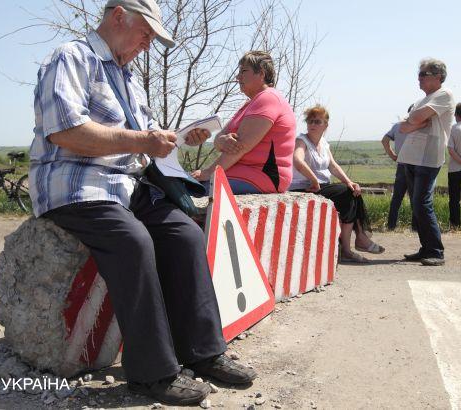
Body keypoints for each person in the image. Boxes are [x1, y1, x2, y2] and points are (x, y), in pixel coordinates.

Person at [28, 0, 256, 405]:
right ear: (119, 16)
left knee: (184, 234)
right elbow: (66, 131)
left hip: (126, 185)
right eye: (146, 33)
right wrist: (143, 141)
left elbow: (145, 144)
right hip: (77, 186)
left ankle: (202, 352)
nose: (147, 44)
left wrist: (180, 138)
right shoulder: (70, 57)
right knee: (134, 242)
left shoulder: (128, 78)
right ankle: (151, 375)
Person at [289, 105, 384, 264]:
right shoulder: (302, 140)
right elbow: (297, 160)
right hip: (304, 186)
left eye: (317, 121)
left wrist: (349, 181)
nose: (312, 124)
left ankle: (354, 242)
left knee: (353, 190)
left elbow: (332, 166)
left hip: (321, 186)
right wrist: (313, 180)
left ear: (325, 125)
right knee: (347, 193)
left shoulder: (324, 144)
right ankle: (354, 243)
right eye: (310, 121)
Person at [192, 51, 296, 194]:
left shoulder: (268, 98)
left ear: (261, 74)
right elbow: (218, 138)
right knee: (183, 183)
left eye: (244, 71)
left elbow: (240, 146)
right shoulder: (249, 104)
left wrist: (209, 172)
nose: (238, 76)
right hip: (244, 173)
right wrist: (222, 140)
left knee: (191, 190)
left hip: (262, 176)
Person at [397, 58, 455, 266]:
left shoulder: (444, 95)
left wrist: (416, 119)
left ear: (437, 77)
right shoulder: (424, 100)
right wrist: (418, 120)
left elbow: (412, 119)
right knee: (416, 204)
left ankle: (436, 251)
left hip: (428, 157)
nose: (418, 78)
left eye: (423, 74)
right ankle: (425, 248)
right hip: (411, 157)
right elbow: (403, 126)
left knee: (422, 202)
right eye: (419, 74)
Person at [381, 104, 416, 231]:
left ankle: (391, 225)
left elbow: (384, 140)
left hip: (401, 164)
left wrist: (393, 156)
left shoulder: (397, 126)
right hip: (416, 165)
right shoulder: (420, 127)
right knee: (415, 197)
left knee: (397, 197)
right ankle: (416, 226)